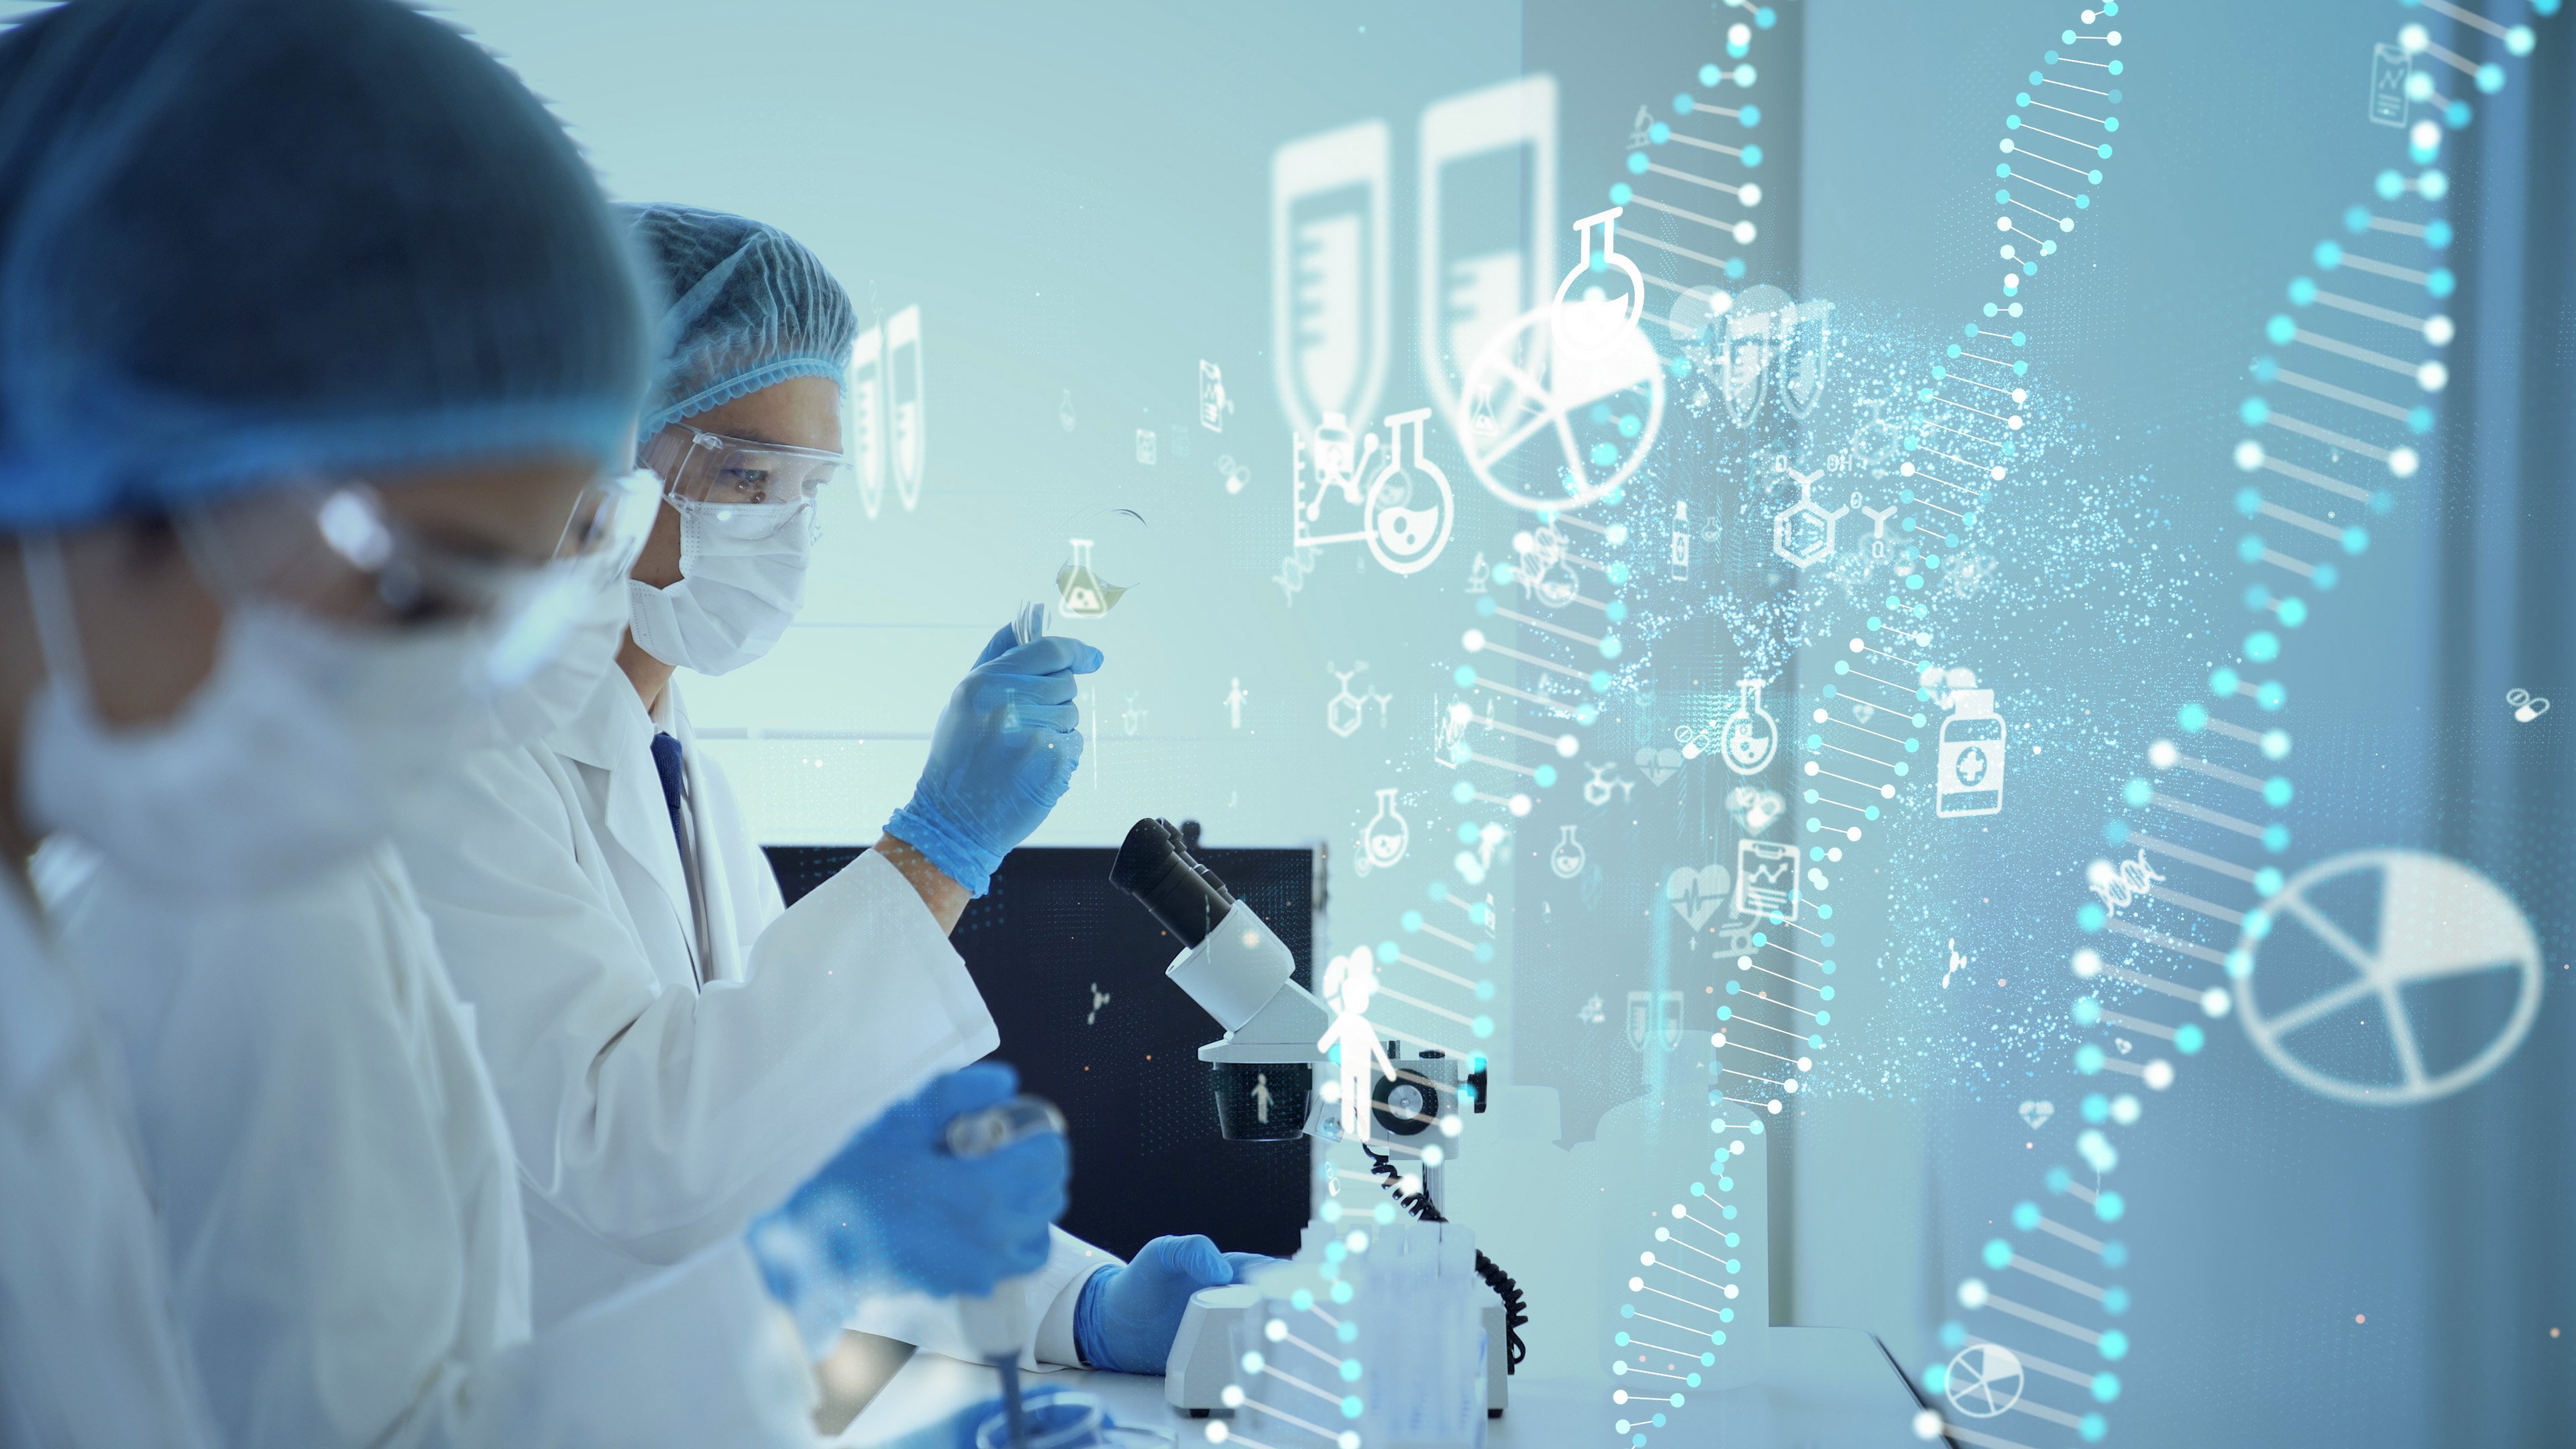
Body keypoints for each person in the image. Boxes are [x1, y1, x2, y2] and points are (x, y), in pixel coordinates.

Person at [2, 0, 1061, 1442]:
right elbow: (627, 1171)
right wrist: (826, 1264)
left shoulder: (201, 877)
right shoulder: (251, 878)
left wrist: (1033, 1310)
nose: (457, 688)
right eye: (419, 590)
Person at [398, 203, 1263, 1377]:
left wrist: (1077, 1306)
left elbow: (801, 1162)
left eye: (807, 488)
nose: (783, 532)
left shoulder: (685, 783)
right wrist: (936, 851)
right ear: (590, 467)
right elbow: (640, 1156)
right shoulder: (447, 759)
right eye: (744, 475)